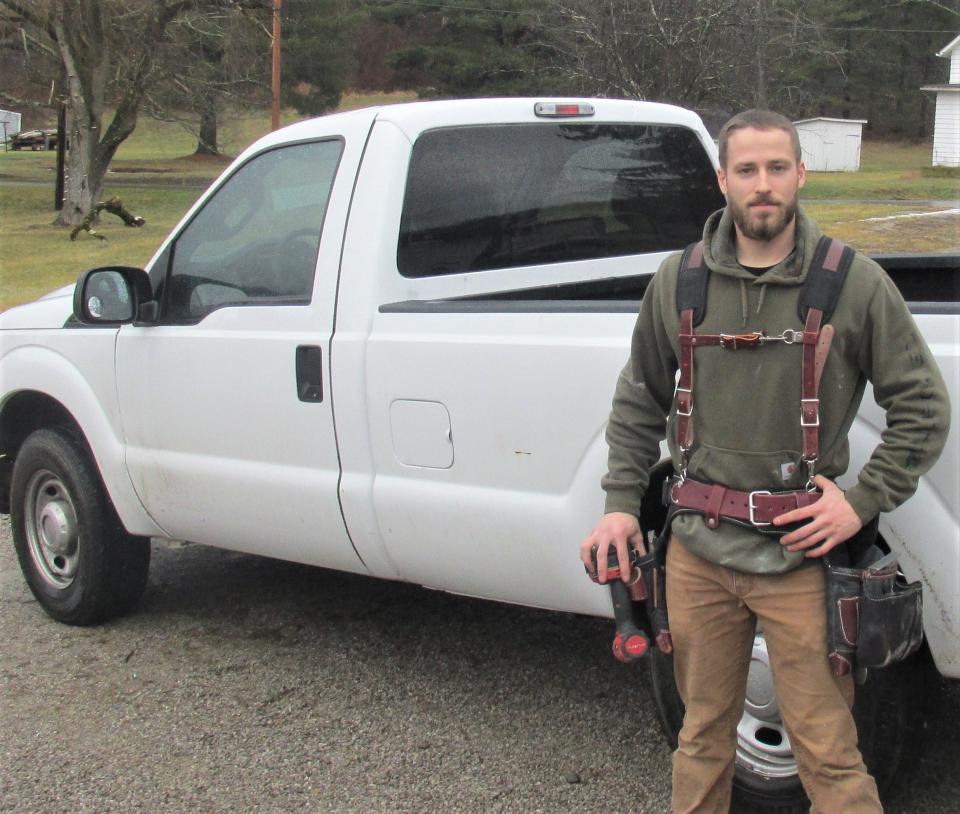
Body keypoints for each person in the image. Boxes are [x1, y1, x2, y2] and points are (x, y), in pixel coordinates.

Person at [580, 109, 950, 813]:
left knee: (830, 754)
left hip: (799, 564)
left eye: (778, 168)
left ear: (801, 174)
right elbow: (637, 402)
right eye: (746, 170)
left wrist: (862, 499)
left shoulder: (854, 283)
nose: (763, 185)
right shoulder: (679, 281)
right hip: (695, 557)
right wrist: (620, 507)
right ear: (722, 179)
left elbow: (925, 410)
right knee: (701, 740)